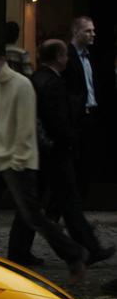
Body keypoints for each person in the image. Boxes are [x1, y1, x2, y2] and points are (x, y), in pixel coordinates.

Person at [0, 44, 86, 283]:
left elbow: (26, 129)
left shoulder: (21, 85)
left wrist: (18, 161)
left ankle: (74, 254)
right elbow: (0, 125)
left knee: (33, 216)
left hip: (19, 161)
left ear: (2, 60)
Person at [9, 39, 114, 267]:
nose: (68, 59)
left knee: (36, 203)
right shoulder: (53, 83)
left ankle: (19, 251)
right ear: (58, 57)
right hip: (54, 153)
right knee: (68, 202)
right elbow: (57, 121)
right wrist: (69, 141)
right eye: (65, 55)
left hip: (40, 152)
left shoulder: (37, 79)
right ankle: (87, 249)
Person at [62, 16, 100, 198]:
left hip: (89, 115)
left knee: (86, 163)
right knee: (73, 164)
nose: (93, 34)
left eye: (93, 30)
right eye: (88, 30)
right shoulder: (67, 56)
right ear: (76, 32)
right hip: (75, 117)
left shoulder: (89, 56)